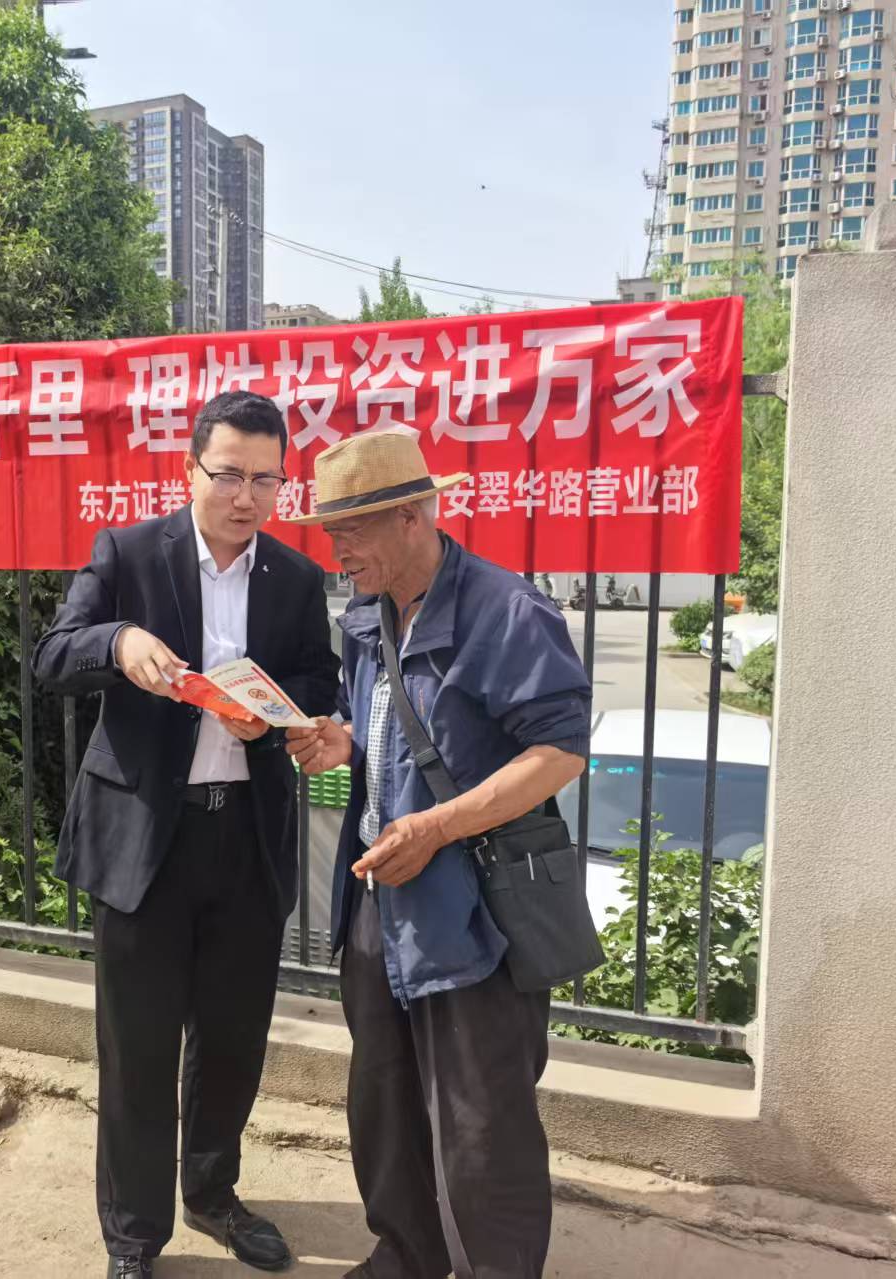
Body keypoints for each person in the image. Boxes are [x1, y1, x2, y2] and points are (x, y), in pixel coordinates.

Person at [34, 390, 341, 1279]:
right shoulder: (129, 553)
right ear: (190, 471)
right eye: (229, 474)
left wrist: (273, 715)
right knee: (137, 1049)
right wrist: (119, 642)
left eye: (265, 480)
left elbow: (319, 679)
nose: (246, 496)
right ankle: (134, 1234)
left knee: (234, 1039)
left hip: (245, 836)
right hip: (146, 841)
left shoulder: (295, 578)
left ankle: (212, 1192)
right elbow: (54, 653)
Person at [283, 432, 592, 1279]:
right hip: (379, 896)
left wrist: (438, 827)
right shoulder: (369, 613)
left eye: (352, 532)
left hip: (471, 908)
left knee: (481, 1122)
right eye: (329, 533)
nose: (337, 552)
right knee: (383, 1099)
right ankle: (407, 1253)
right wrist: (344, 741)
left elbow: (559, 751)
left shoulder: (505, 612)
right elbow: (392, 732)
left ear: (413, 518)